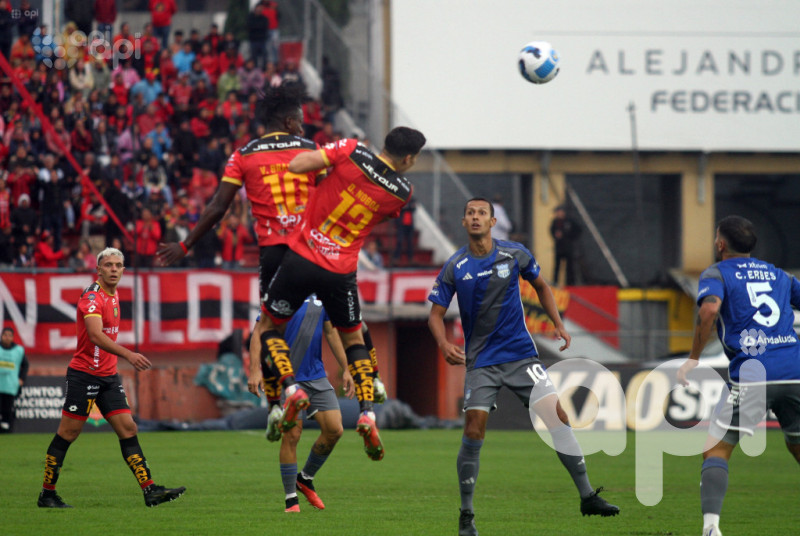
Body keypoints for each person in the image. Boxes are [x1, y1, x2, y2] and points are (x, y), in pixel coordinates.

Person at [427, 197, 619, 536]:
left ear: (491, 222)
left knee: (557, 416)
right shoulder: (455, 265)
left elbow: (542, 287)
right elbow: (435, 314)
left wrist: (557, 323)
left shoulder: (514, 254)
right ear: (464, 222)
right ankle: (467, 515)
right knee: (473, 429)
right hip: (482, 361)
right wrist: (443, 343)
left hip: (520, 355)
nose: (475, 218)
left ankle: (587, 496)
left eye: (481, 213)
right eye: (470, 213)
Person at [248, 126, 426, 463]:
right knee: (354, 339)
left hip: (303, 255)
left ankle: (290, 388)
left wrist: (329, 167)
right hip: (341, 270)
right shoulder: (402, 191)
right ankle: (367, 413)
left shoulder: (351, 150)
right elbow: (376, 204)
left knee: (269, 327)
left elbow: (299, 166)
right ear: (407, 158)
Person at [677, 216, 800, 536]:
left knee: (716, 449)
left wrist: (693, 358)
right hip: (794, 371)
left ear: (720, 244)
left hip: (754, 373)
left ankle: (711, 528)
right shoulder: (778, 274)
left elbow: (708, 310)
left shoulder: (717, 273)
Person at [37, 247, 185, 508]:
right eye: (109, 265)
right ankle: (47, 494)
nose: (114, 269)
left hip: (108, 376)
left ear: (124, 270)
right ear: (99, 269)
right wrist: (129, 354)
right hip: (84, 375)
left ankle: (150, 490)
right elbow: (94, 335)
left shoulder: (114, 294)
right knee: (68, 433)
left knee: (128, 428)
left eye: (118, 265)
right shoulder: (93, 297)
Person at [249, 296, 355, 512]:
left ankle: (305, 478)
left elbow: (331, 331)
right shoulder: (282, 291)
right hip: (285, 375)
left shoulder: (323, 293)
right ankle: (291, 500)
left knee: (335, 429)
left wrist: (346, 367)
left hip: (315, 376)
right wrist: (254, 369)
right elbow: (258, 333)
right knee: (292, 435)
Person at [0, 327, 28, 433]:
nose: (7, 338)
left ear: (12, 337)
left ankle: (6, 426)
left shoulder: (18, 350)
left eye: (9, 335)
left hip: (10, 384)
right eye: (5, 335)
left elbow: (25, 365)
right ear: (2, 336)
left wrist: (21, 379)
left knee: (7, 407)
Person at [549, 204, 582, 286]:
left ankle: (570, 283)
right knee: (557, 266)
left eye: (560, 212)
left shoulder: (569, 221)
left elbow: (578, 230)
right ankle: (555, 283)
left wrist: (568, 236)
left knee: (569, 267)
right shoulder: (555, 222)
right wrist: (556, 236)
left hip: (568, 248)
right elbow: (552, 231)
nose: (559, 214)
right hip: (559, 248)